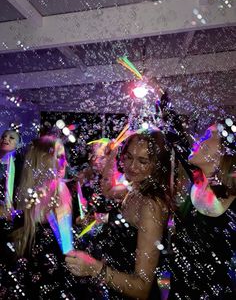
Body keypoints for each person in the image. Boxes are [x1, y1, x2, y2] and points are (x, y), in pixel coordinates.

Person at [66, 129, 174, 300]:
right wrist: (111, 156)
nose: (132, 166)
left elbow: (142, 288)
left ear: (157, 164)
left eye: (143, 161)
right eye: (128, 157)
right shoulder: (134, 188)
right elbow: (107, 189)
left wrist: (94, 268)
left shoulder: (150, 206)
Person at [0, 135, 84, 299]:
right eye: (59, 157)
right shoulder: (53, 190)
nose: (64, 163)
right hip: (43, 279)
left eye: (64, 157)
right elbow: (67, 247)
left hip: (39, 278)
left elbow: (66, 246)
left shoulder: (45, 190)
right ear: (43, 159)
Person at [167, 120, 236, 299]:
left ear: (226, 151)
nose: (198, 140)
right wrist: (159, 97)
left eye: (208, 135)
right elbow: (176, 136)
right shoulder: (197, 180)